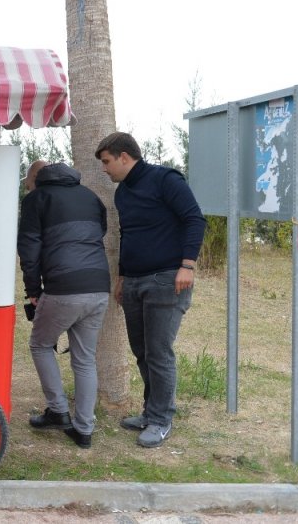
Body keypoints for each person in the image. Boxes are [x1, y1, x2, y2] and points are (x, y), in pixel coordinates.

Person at [95, 132, 206, 448]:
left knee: (159, 352)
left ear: (124, 157)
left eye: (106, 162)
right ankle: (150, 412)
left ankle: (161, 420)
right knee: (142, 351)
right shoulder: (123, 193)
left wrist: (187, 265)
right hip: (134, 282)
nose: (105, 169)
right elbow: (128, 235)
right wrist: (122, 277)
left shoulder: (165, 180)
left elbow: (194, 219)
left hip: (168, 279)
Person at [17, 160, 110, 449]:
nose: (26, 184)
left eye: (26, 180)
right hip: (98, 286)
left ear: (36, 177)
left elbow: (29, 247)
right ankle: (84, 429)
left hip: (64, 287)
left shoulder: (36, 199)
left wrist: (33, 290)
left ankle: (57, 411)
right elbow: (100, 233)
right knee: (84, 358)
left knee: (40, 345)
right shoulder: (90, 196)